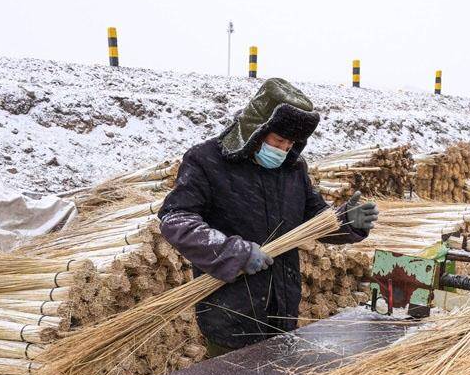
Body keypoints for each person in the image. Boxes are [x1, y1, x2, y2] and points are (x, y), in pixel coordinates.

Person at [158, 78, 378, 356]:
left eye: (291, 143)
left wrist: (346, 222)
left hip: (282, 313)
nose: (284, 150)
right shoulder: (207, 161)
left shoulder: (292, 170)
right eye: (279, 140)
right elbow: (176, 219)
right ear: (257, 128)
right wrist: (234, 253)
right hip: (231, 315)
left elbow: (316, 219)